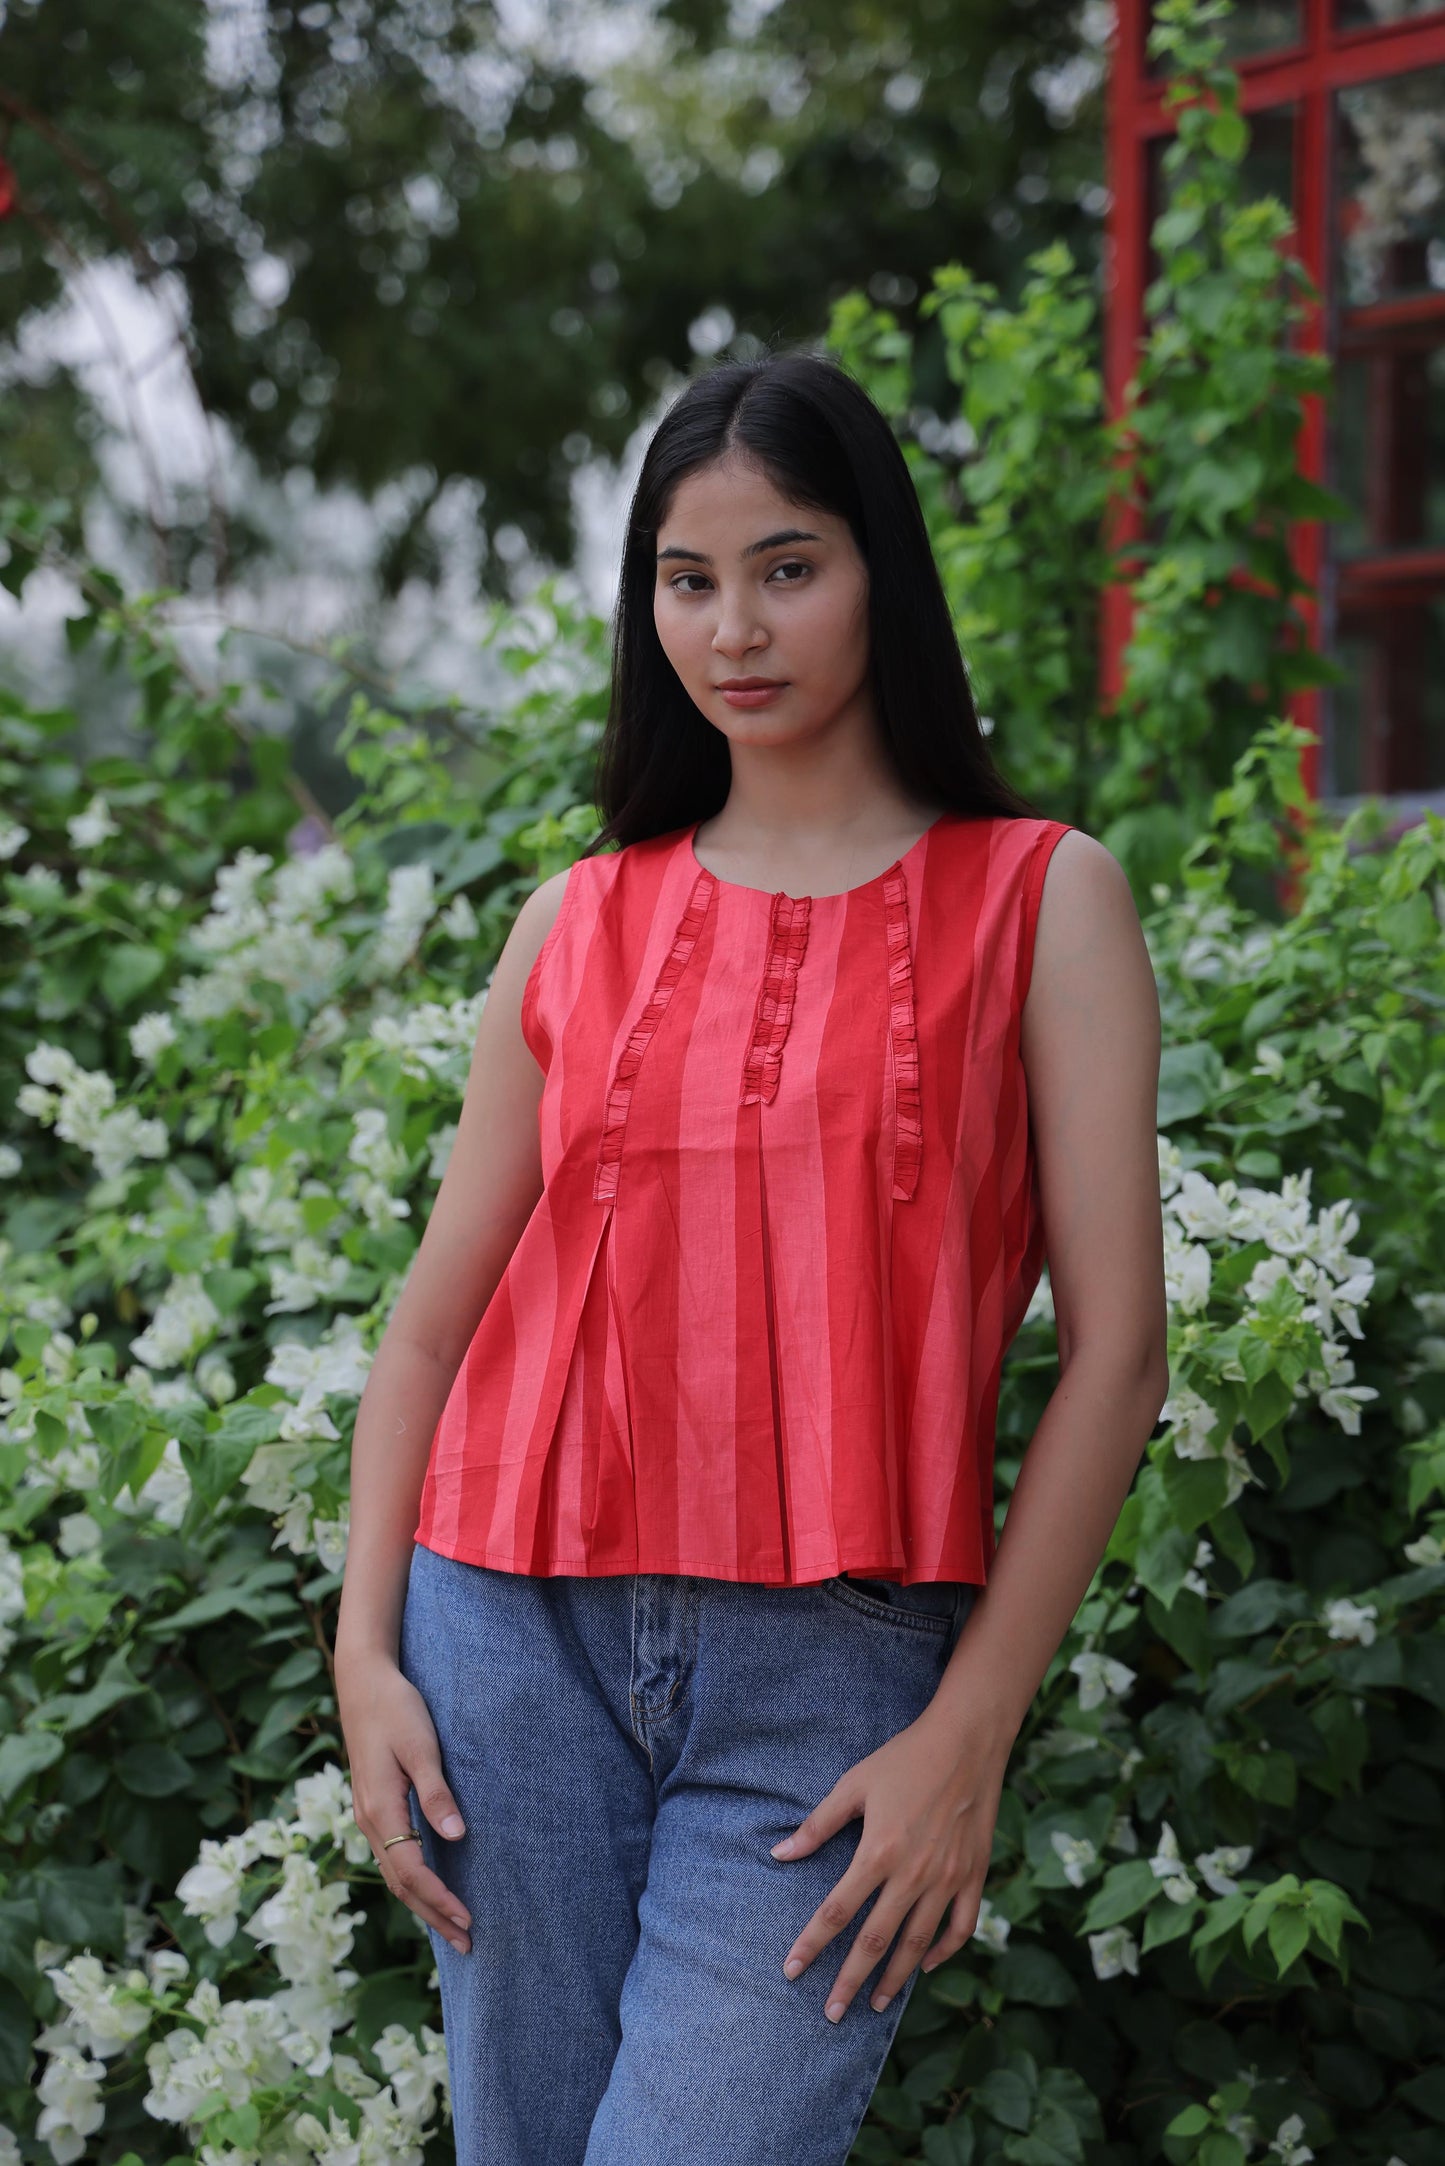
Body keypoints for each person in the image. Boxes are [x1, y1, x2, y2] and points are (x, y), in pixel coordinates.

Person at [334, 348, 1168, 2166]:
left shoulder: (1041, 897)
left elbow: (1115, 1354)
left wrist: (972, 1729)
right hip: (505, 1641)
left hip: (834, 1680)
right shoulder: (578, 916)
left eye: (788, 565)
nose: (734, 627)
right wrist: (366, 1649)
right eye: (686, 578)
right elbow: (427, 1332)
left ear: (882, 567)